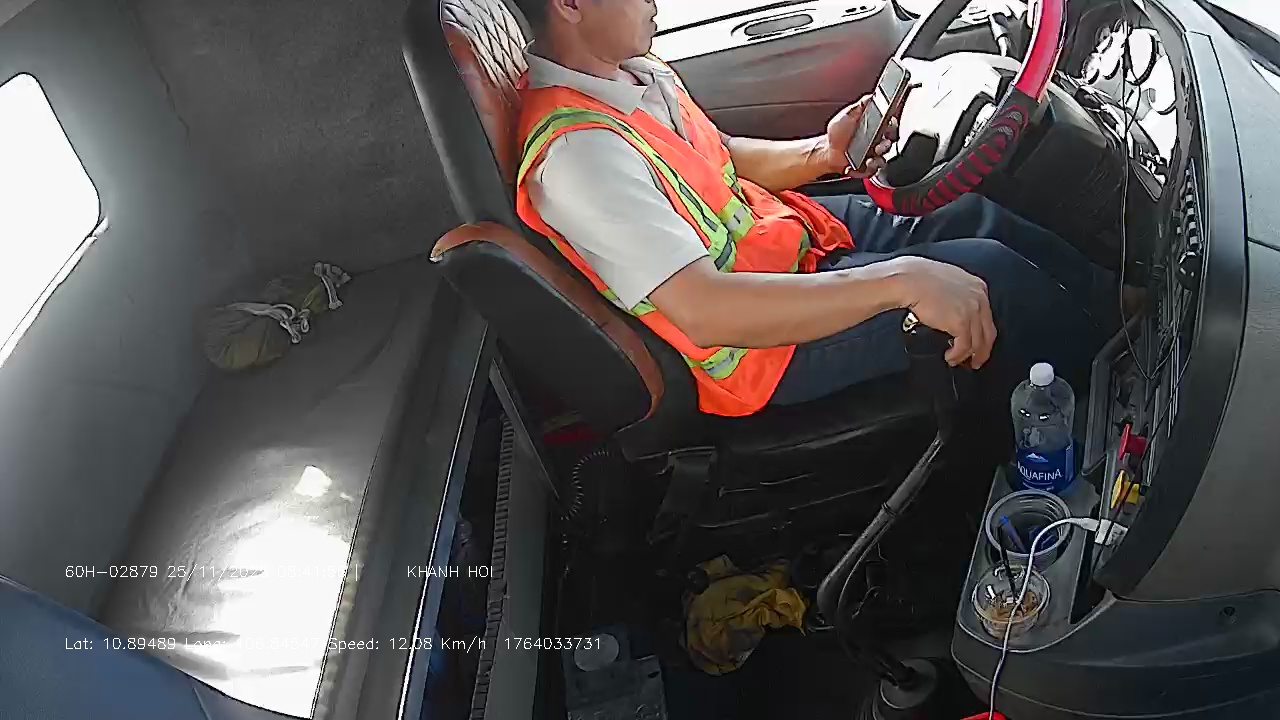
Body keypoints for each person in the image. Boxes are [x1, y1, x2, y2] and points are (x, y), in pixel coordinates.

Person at [510, 0, 1121, 422]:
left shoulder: (632, 73)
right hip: (760, 343)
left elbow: (719, 156)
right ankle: (1118, 397)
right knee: (990, 276)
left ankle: (1122, 306)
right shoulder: (578, 155)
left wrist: (824, 154)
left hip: (786, 241)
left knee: (968, 212)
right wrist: (903, 281)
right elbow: (705, 311)